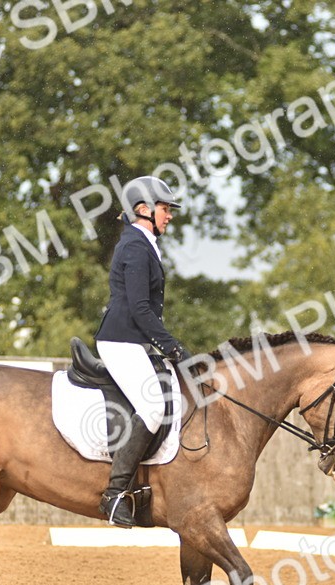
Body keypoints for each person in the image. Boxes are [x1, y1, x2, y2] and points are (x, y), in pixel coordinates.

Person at [94, 176, 192, 527]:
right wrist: (172, 346)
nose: (170, 215)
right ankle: (115, 493)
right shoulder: (135, 246)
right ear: (143, 209)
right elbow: (139, 307)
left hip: (133, 340)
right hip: (121, 340)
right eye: (165, 209)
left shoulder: (142, 242)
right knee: (152, 408)